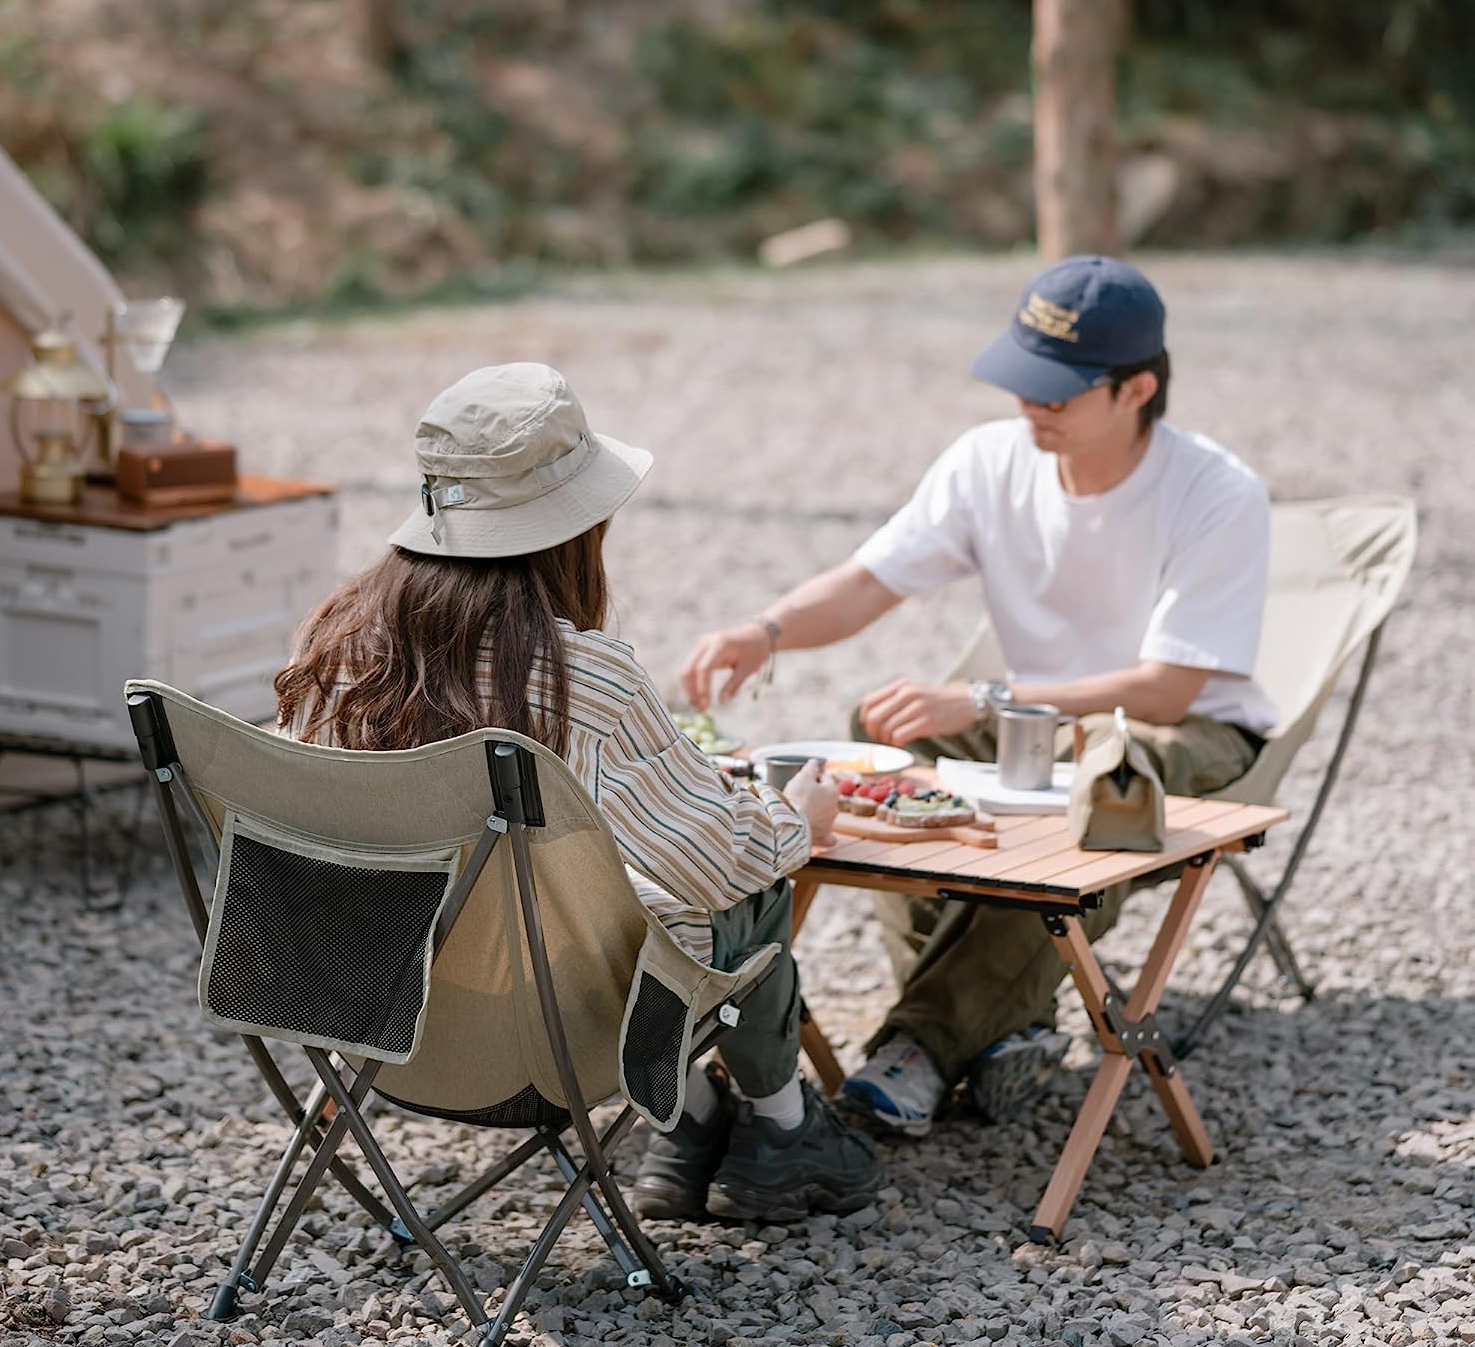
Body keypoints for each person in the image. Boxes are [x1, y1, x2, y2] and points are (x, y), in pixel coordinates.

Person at [681, 256, 1277, 1137]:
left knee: (1098, 795)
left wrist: (991, 699)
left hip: (1181, 732)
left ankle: (920, 1045)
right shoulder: (989, 461)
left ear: (1136, 388)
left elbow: (1171, 685)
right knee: (877, 737)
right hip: (1038, 724)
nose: (1031, 407)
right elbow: (870, 580)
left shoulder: (1216, 491)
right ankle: (1003, 1027)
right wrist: (765, 629)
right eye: (1023, 383)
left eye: (1058, 393)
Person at [275, 361, 880, 1219]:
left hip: (372, 1011)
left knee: (576, 896)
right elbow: (718, 860)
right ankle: (784, 1131)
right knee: (753, 883)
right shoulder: (580, 678)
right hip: (553, 1037)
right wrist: (797, 820)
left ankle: (694, 1119)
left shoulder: (341, 656)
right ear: (573, 530)